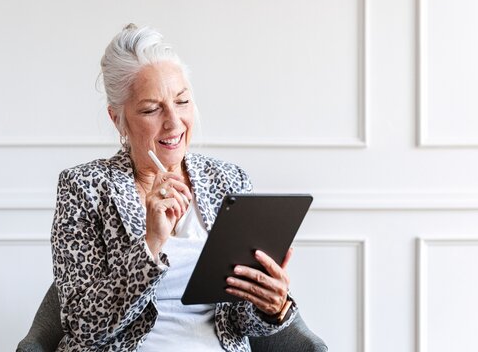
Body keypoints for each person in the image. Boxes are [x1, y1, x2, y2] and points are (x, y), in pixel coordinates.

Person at [51, 24, 297, 352]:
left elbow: (239, 321)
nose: (174, 122)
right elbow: (83, 326)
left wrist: (272, 306)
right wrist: (151, 243)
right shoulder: (85, 188)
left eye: (182, 102)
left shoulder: (229, 180)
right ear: (117, 119)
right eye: (152, 109)